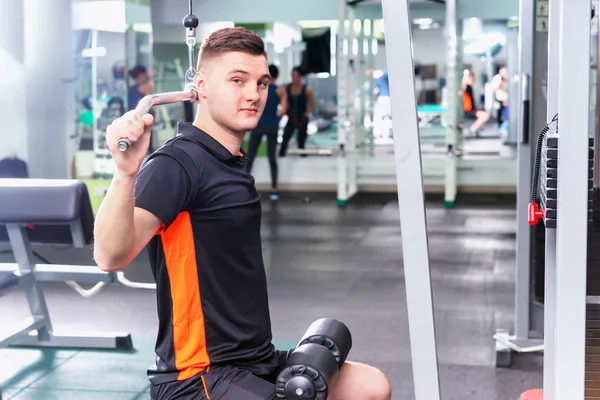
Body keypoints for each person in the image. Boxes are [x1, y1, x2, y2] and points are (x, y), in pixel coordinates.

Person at [93, 27, 391, 400]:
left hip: (257, 359)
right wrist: (125, 172)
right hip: (199, 376)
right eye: (237, 80)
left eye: (261, 83)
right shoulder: (177, 163)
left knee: (371, 388)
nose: (253, 94)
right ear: (200, 85)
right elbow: (109, 255)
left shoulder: (230, 162)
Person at [246, 64, 287, 201]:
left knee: (250, 158)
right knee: (272, 158)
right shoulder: (280, 91)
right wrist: (275, 119)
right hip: (272, 127)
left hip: (258, 126)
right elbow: (283, 111)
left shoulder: (259, 89)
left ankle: (244, 189)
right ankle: (274, 190)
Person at [278, 66, 315, 157]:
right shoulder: (287, 88)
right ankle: (281, 156)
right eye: (292, 75)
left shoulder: (306, 90)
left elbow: (312, 105)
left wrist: (306, 114)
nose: (294, 78)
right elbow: (283, 102)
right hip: (291, 117)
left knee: (301, 141)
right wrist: (285, 112)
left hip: (302, 117)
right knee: (285, 140)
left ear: (300, 76)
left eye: (296, 76)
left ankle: (302, 159)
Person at [461, 70, 490, 137]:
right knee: (485, 115)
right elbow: (462, 89)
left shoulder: (470, 87)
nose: (473, 79)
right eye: (471, 77)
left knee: (485, 114)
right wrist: (465, 78)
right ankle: (472, 129)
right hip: (466, 111)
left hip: (470, 110)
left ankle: (474, 129)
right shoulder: (464, 87)